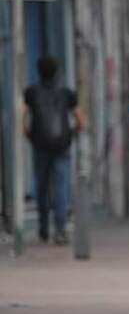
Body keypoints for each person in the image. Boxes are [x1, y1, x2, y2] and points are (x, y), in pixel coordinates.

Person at [22, 55, 84, 244]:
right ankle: (60, 229)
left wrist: (29, 135)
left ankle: (42, 228)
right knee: (60, 187)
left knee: (41, 187)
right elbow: (80, 119)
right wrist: (72, 134)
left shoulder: (31, 92)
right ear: (57, 71)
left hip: (40, 145)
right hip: (61, 146)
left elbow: (23, 117)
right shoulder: (66, 93)